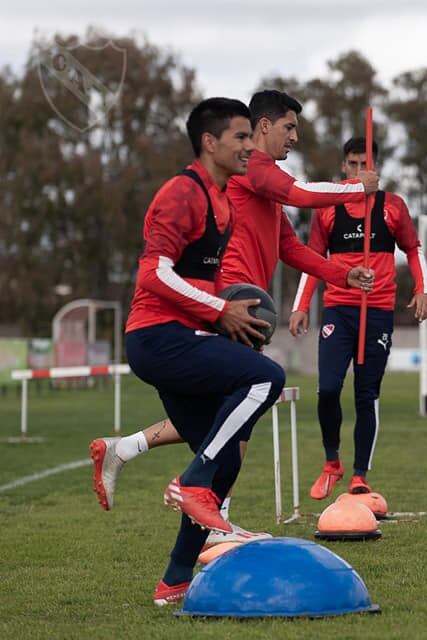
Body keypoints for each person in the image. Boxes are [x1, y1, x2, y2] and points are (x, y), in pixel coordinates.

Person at [88, 90, 379, 544]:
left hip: (241, 308)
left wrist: (343, 273)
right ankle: (208, 512)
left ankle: (131, 454)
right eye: (288, 127)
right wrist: (355, 188)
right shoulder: (259, 172)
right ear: (263, 127)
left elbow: (290, 248)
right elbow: (302, 193)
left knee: (216, 421)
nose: (294, 137)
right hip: (226, 307)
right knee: (238, 412)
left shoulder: (260, 182)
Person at [123, 97, 285, 606]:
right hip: (155, 337)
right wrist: (220, 311)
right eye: (240, 137)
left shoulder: (224, 204)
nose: (248, 146)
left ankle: (173, 583)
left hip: (184, 335)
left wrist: (231, 318)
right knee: (266, 378)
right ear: (209, 142)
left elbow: (208, 283)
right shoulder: (181, 193)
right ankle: (191, 481)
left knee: (226, 461)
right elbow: (155, 273)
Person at [289, 137, 427, 499]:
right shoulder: (327, 209)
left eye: (364, 164)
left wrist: (422, 289)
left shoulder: (392, 207)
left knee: (366, 395)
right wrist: (301, 305)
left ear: (376, 168)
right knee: (328, 389)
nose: (358, 171)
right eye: (351, 164)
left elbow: (413, 249)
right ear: (343, 167)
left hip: (379, 312)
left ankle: (358, 475)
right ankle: (331, 462)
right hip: (339, 308)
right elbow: (311, 259)